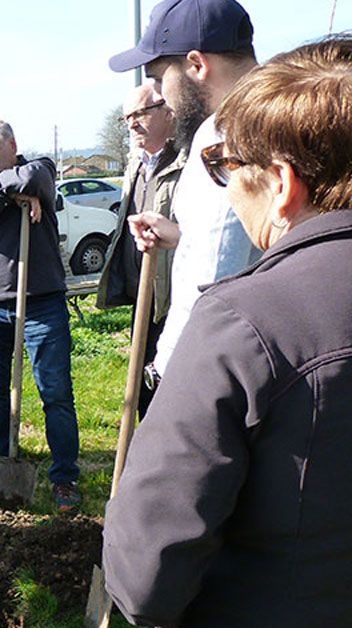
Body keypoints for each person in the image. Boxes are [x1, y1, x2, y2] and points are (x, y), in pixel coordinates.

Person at [102, 34, 352, 626]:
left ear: (283, 184)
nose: (226, 185)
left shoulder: (245, 327)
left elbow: (146, 578)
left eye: (226, 166)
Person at [108, 0, 260, 385]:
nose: (162, 97)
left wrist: (170, 372)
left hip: (222, 371)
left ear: (196, 64)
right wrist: (181, 237)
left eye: (160, 79)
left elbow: (213, 281)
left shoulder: (224, 134)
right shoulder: (287, 117)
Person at [0, 121, 82, 513]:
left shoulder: (39, 167)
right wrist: (10, 194)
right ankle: (3, 459)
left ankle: (64, 477)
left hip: (41, 299)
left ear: (12, 145)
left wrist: (18, 188)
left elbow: (36, 177)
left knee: (55, 390)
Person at [95, 83, 183, 418]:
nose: (132, 123)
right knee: (142, 378)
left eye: (140, 113)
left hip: (173, 296)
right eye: (127, 117)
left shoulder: (187, 161)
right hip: (142, 294)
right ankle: (148, 448)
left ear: (167, 111)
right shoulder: (136, 165)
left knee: (173, 379)